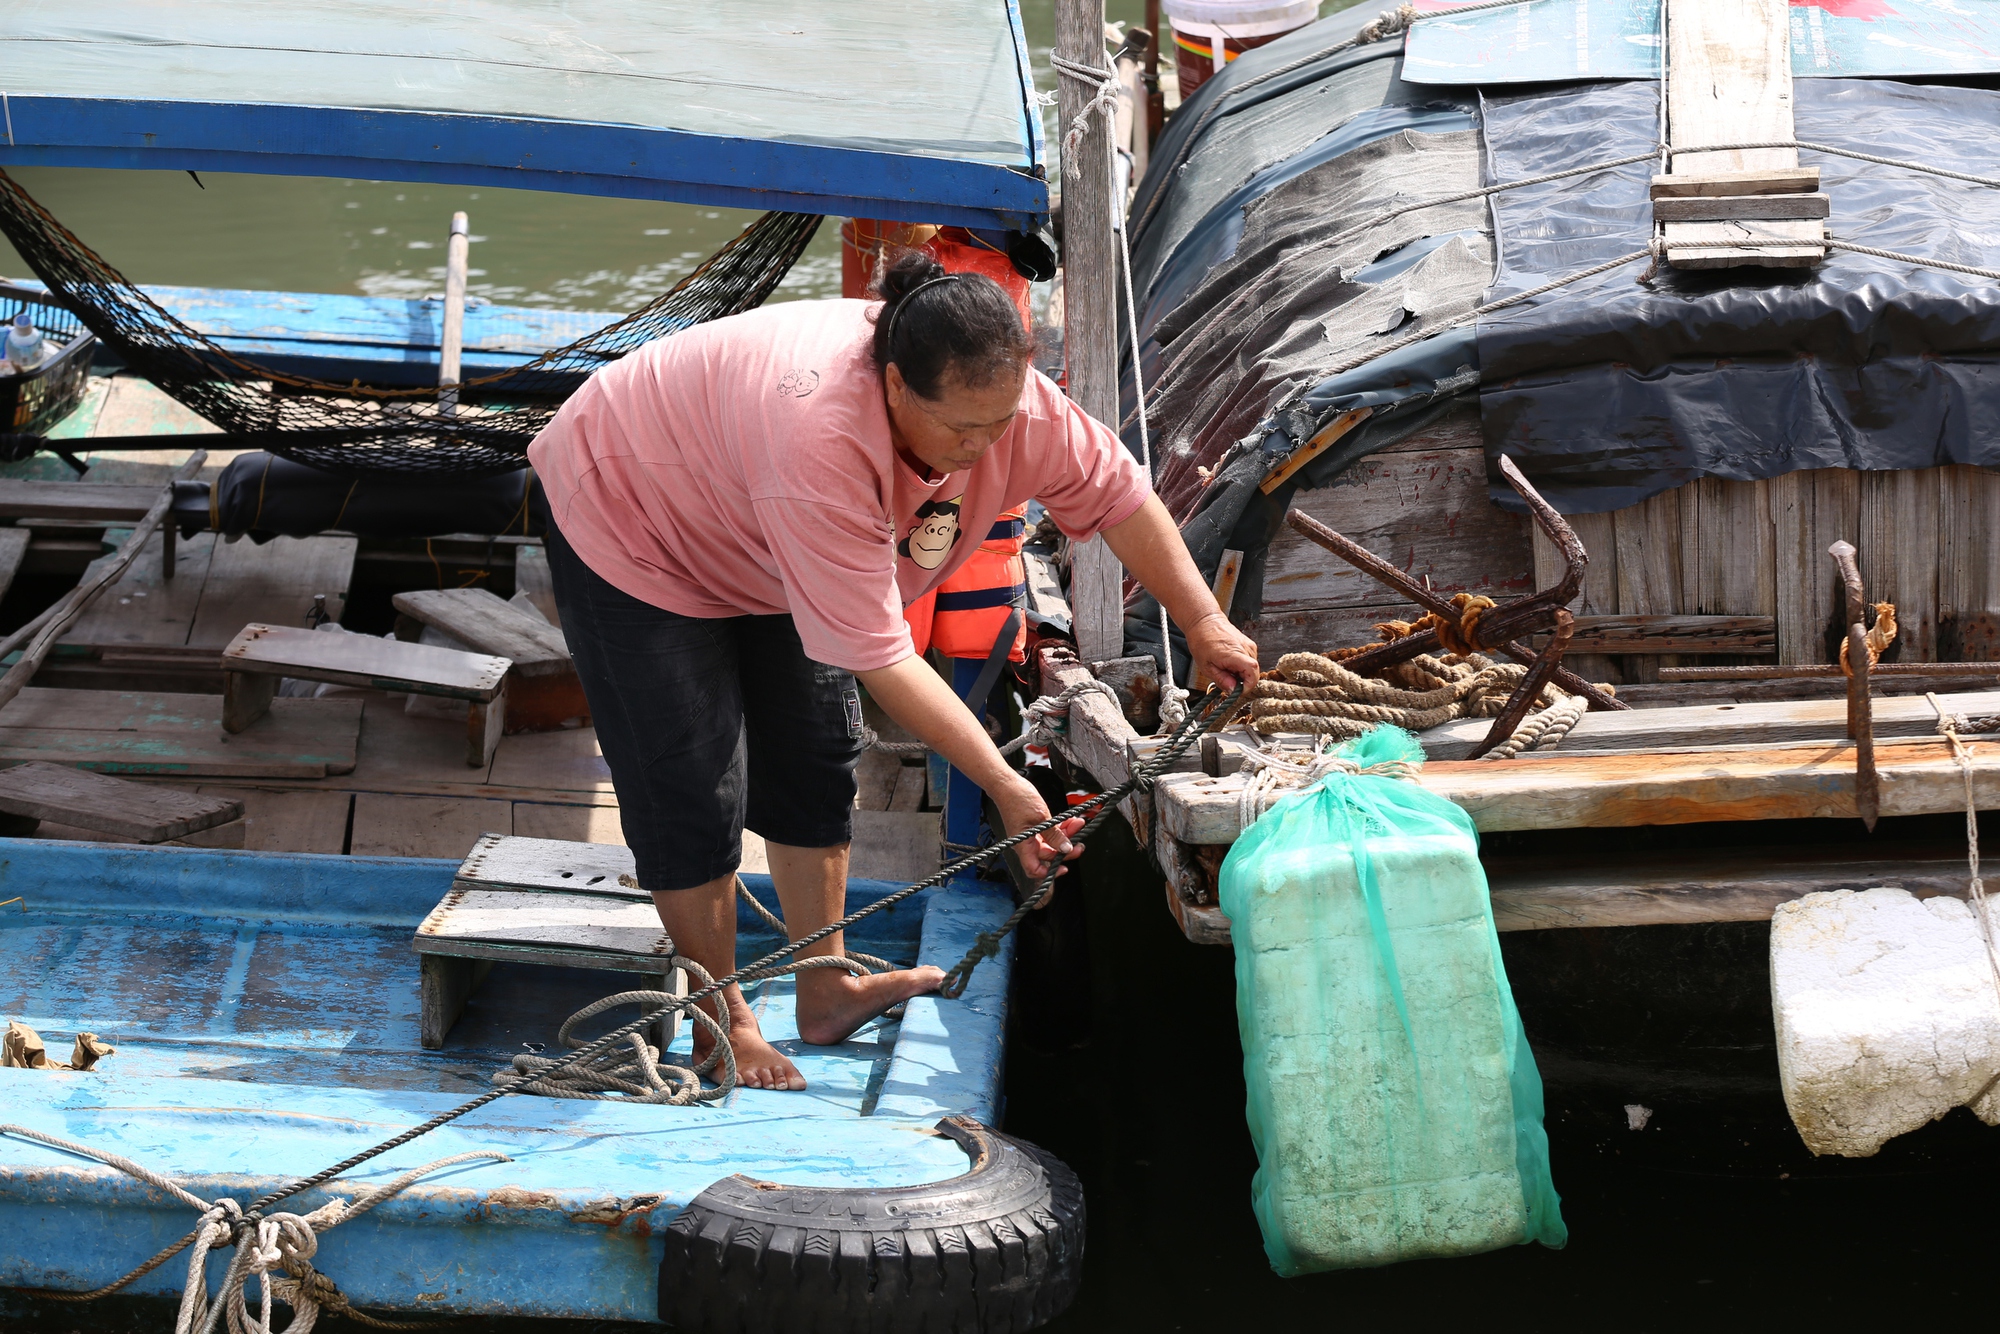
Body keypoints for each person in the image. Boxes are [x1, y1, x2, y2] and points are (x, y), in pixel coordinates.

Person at [528, 252, 1260, 1091]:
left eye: (1001, 423)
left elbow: (1122, 498)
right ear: (894, 388)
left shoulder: (1016, 411)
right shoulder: (822, 439)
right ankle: (719, 1016)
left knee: (814, 755)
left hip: (758, 526)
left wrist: (1204, 623)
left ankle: (825, 989)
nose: (985, 450)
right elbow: (884, 661)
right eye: (960, 432)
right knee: (690, 777)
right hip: (634, 516)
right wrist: (1009, 784)